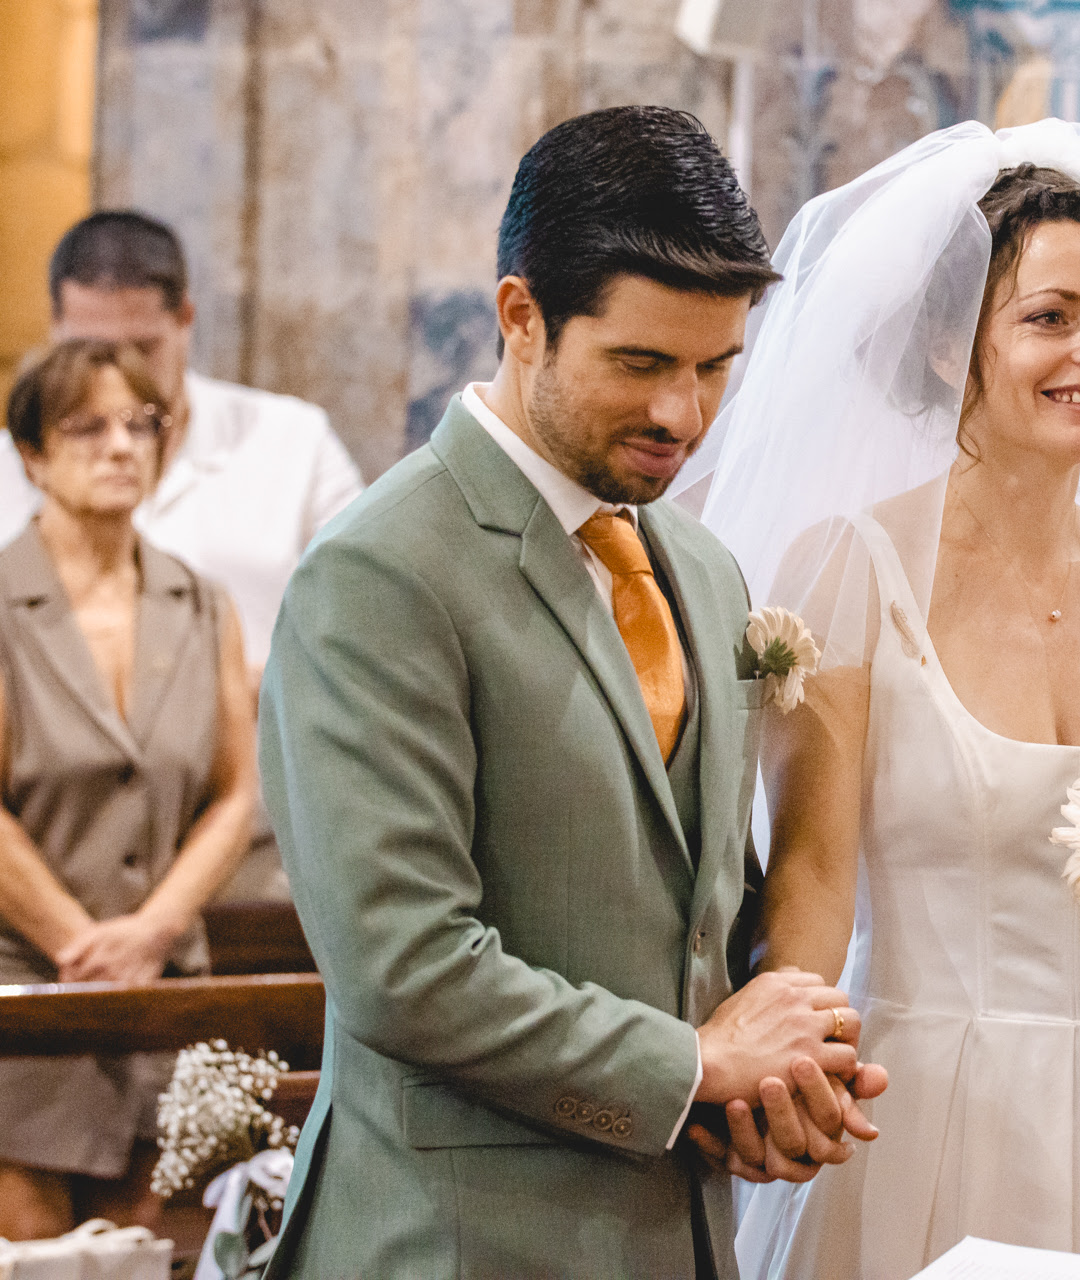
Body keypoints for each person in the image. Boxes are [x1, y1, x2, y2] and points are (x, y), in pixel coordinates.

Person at [685, 120, 1080, 1280]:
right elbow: (812, 874)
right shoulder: (852, 570)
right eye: (1051, 316)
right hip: (923, 1104)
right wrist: (790, 1068)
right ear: (949, 347)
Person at [256, 107, 882, 1280]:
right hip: (453, 1243)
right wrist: (697, 1067)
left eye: (714, 367)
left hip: (675, 1235)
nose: (683, 415)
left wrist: (777, 1075)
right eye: (640, 363)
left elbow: (699, 907)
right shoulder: (380, 572)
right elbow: (404, 964)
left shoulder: (701, 567)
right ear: (521, 317)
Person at [0, 211, 364, 899]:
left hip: (254, 854)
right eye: (88, 348)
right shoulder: (14, 465)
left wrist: (233, 687)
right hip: (46, 861)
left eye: (141, 347)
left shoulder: (292, 442)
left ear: (185, 320)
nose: (115, 370)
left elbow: (371, 633)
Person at [0, 339, 255, 1240]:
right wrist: (83, 948)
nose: (121, 446)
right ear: (32, 454)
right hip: (26, 985)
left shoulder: (200, 602)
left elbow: (236, 793)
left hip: (164, 982)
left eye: (141, 424)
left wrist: (152, 933)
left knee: (155, 1249)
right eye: (87, 427)